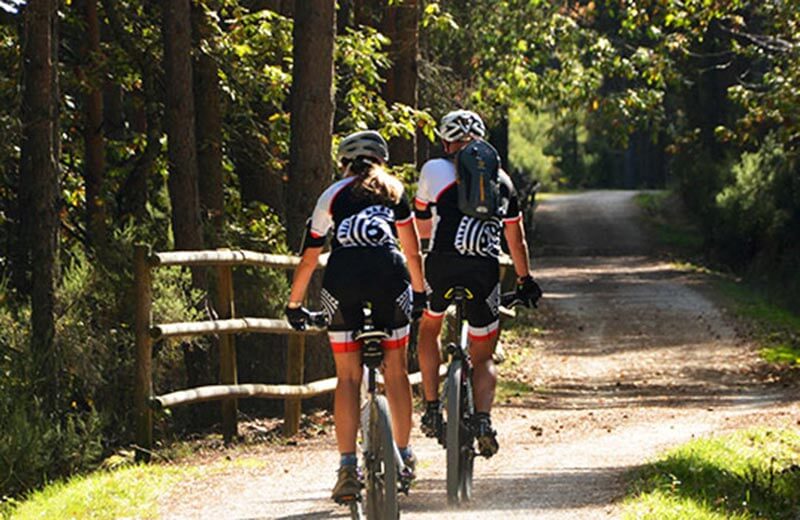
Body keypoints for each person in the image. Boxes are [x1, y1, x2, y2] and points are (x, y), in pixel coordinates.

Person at [284, 130, 427, 502]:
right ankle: (406, 456)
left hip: (342, 281)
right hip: (389, 277)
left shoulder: (331, 195)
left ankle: (347, 467)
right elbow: (411, 252)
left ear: (344, 163)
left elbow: (310, 257)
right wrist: (420, 293)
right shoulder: (394, 189)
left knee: (347, 378)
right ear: (381, 160)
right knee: (395, 370)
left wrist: (294, 305)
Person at [414, 110, 542, 457]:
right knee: (483, 355)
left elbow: (422, 226)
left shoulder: (433, 170)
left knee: (429, 328)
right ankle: (483, 420)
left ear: (445, 141)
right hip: (484, 270)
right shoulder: (502, 179)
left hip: (440, 265)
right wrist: (525, 278)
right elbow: (516, 240)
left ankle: (429, 407)